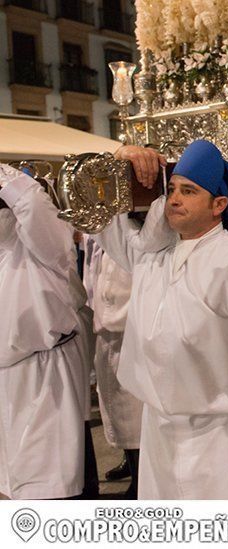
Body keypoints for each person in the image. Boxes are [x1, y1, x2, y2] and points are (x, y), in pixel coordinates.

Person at [95, 140, 228, 499]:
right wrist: (119, 158)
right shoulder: (151, 258)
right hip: (158, 426)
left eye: (188, 191)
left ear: (219, 205)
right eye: (171, 190)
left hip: (221, 432)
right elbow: (101, 219)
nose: (174, 199)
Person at [0, 164, 94, 499]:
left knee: (46, 488)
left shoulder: (44, 248)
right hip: (7, 380)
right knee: (10, 487)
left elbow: (33, 205)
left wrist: (4, 176)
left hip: (43, 375)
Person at [83, 237, 143, 498]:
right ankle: (131, 463)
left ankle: (142, 482)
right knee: (115, 408)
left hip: (132, 324)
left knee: (135, 410)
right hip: (106, 321)